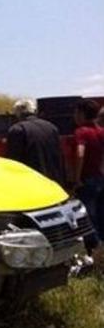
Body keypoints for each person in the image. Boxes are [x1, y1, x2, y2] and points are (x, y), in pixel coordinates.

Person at [5, 99, 65, 185]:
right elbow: (60, 156)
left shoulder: (17, 129)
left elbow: (13, 161)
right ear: (34, 111)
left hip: (31, 183)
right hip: (53, 182)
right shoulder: (52, 127)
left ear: (17, 113)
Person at [73, 99, 104, 235]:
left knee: (88, 214)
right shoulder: (101, 131)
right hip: (100, 177)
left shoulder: (81, 131)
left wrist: (77, 178)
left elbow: (80, 153)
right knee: (100, 212)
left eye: (76, 112)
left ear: (82, 113)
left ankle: (94, 242)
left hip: (87, 178)